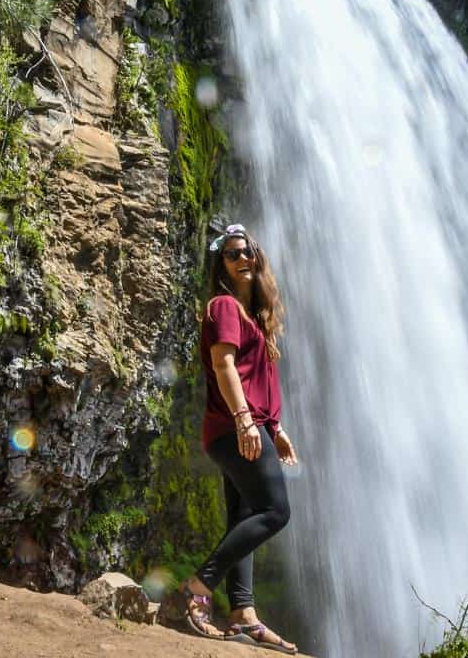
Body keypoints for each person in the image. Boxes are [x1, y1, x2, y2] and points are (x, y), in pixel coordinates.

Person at [177, 223, 299, 655]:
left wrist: (276, 428)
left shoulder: (256, 318)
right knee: (275, 511)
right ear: (221, 265)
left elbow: (261, 377)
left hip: (251, 427)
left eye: (249, 251)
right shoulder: (224, 306)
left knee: (243, 519)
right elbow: (225, 366)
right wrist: (247, 422)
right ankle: (198, 586)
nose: (244, 258)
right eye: (232, 254)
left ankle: (243, 613)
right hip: (234, 428)